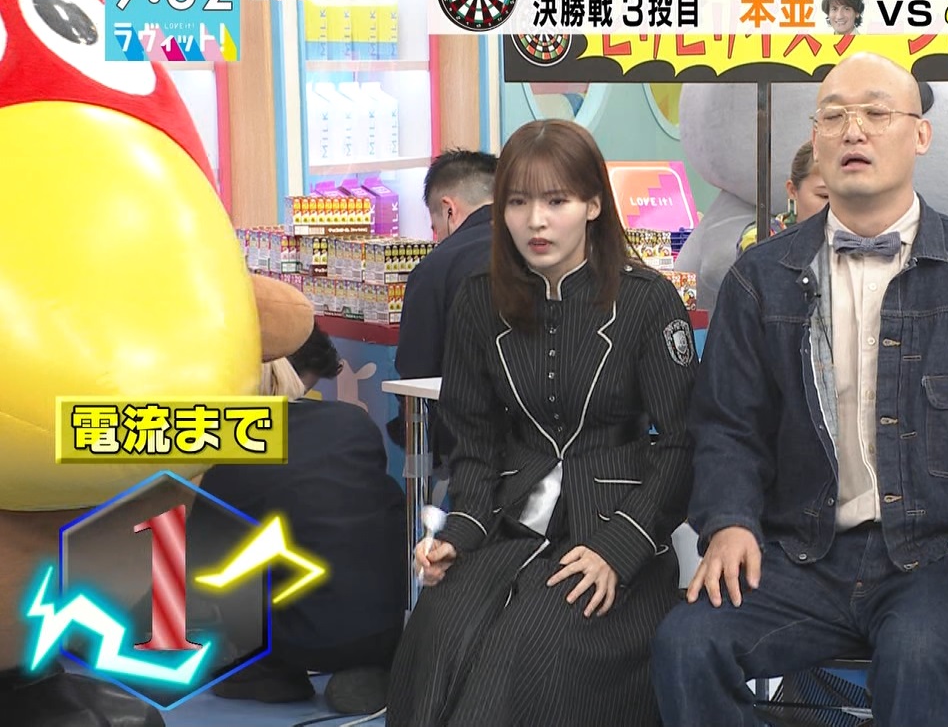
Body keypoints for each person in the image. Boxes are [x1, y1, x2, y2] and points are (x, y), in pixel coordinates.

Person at [652, 53, 948, 727]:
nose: (853, 130)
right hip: (798, 556)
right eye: (834, 116)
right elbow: (727, 426)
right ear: (815, 137)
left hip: (944, 558)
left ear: (921, 135)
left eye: (877, 113)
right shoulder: (759, 280)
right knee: (688, 644)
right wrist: (730, 521)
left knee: (918, 656)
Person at [385, 119, 698, 727]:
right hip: (509, 526)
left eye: (557, 201)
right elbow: (475, 442)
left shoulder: (646, 299)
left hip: (614, 530)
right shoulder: (479, 299)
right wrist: (459, 532)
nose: (536, 221)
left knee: (530, 646)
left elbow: (683, 440)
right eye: (518, 202)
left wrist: (621, 547)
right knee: (437, 630)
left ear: (593, 205)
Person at [197, 326, 407, 716]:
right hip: (383, 625)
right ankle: (361, 664)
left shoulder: (229, 446)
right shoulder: (353, 422)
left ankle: (269, 668)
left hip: (293, 633)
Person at [390, 149, 497, 454]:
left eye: (434, 227)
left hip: (473, 445)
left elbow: (417, 372)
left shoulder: (437, 267)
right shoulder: (548, 247)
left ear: (449, 209)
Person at [736, 140, 829, 254]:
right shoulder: (761, 237)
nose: (836, 206)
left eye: (847, 197)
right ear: (793, 190)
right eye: (824, 196)